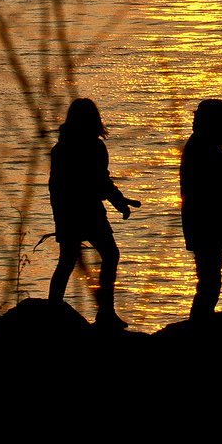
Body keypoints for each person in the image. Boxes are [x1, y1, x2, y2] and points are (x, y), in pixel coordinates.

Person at [48, 97, 141, 327]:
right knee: (108, 255)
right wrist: (119, 202)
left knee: (68, 261)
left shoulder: (61, 148)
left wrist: (119, 201)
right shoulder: (92, 146)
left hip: (70, 211)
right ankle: (104, 313)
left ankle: (54, 309)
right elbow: (100, 181)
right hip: (85, 211)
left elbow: (59, 186)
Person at [179, 98, 222, 319]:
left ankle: (199, 326)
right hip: (208, 230)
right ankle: (198, 328)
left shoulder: (203, 147)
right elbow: (217, 199)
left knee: (208, 283)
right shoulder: (207, 151)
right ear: (213, 124)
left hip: (206, 229)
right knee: (209, 284)